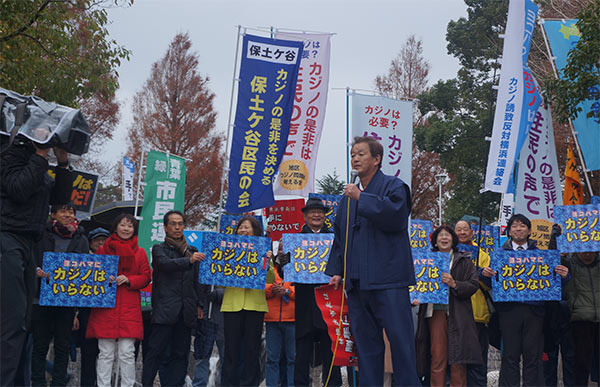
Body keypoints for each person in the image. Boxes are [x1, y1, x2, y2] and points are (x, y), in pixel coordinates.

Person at [325, 136, 420, 386]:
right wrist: (336, 269)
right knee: (366, 347)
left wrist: (362, 198)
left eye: (361, 154)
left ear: (376, 159)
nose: (355, 158)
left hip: (388, 281)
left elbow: (396, 218)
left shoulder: (394, 186)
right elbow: (340, 237)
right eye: (353, 154)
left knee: (401, 342)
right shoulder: (346, 198)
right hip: (357, 283)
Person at [0, 139, 72, 386]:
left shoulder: (38, 164)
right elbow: (19, 189)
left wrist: (62, 162)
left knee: (22, 322)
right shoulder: (9, 154)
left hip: (29, 242)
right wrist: (41, 153)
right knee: (10, 320)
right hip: (6, 237)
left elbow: (60, 198)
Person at [482, 213, 569, 387]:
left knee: (533, 356)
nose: (518, 229)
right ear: (509, 231)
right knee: (510, 356)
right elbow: (491, 283)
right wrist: (483, 275)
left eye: (522, 225)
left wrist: (565, 276)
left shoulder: (543, 255)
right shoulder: (499, 254)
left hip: (535, 312)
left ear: (529, 231)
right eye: (514, 225)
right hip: (508, 312)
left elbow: (554, 282)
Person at [86, 213, 151, 387]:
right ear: (115, 227)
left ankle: (128, 385)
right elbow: (92, 275)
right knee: (105, 352)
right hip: (106, 306)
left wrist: (129, 279)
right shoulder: (103, 250)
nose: (126, 229)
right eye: (122, 225)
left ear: (134, 229)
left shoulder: (141, 252)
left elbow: (146, 276)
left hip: (129, 306)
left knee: (127, 352)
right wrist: (104, 278)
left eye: (130, 226)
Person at [142, 210, 206, 386]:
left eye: (180, 224)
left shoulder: (192, 251)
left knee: (181, 354)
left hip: (186, 311)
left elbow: (197, 282)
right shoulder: (158, 249)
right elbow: (165, 265)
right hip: (165, 310)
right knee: (155, 352)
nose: (177, 228)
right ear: (165, 227)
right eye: (173, 224)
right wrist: (189, 261)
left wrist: (199, 304)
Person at [414, 225, 481, 386]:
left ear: (453, 240)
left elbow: (473, 285)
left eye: (448, 235)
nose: (444, 238)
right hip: (435, 313)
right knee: (437, 357)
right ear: (435, 241)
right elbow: (416, 285)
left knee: (458, 359)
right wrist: (416, 296)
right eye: (440, 236)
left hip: (458, 315)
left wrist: (454, 283)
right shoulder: (424, 261)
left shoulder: (464, 261)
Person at [30, 202, 88, 386]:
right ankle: (38, 381)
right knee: (39, 345)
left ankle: (58, 382)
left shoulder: (81, 238)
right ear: (53, 214)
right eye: (63, 211)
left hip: (66, 301)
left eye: (71, 212)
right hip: (41, 298)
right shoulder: (41, 235)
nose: (68, 215)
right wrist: (37, 270)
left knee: (62, 346)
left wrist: (77, 310)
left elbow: (85, 271)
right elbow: (30, 257)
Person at [221, 216, 274, 387]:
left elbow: (271, 278)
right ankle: (229, 384)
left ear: (255, 231)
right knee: (231, 349)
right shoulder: (227, 249)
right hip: (232, 305)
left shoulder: (262, 250)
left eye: (247, 227)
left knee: (252, 349)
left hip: (255, 305)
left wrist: (268, 260)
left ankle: (250, 384)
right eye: (240, 227)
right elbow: (217, 274)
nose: (243, 230)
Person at [294, 197, 342, 387]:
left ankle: (333, 384)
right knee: (302, 352)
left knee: (331, 351)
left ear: (325, 216)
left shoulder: (334, 240)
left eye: (320, 212)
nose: (316, 215)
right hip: (305, 303)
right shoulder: (295, 240)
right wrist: (282, 258)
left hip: (329, 301)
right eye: (312, 212)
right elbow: (286, 271)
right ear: (305, 216)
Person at [454, 220, 491, 387]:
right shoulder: (446, 253)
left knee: (478, 360)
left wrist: (480, 274)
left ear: (472, 233)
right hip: (452, 315)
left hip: (476, 314)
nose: (462, 232)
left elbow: (490, 285)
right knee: (456, 360)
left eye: (465, 230)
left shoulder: (481, 254)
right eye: (458, 229)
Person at [75, 227, 110, 387]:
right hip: (86, 314)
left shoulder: (114, 261)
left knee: (106, 354)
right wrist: (74, 314)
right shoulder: (81, 261)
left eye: (104, 239)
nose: (101, 243)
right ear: (90, 243)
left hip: (107, 314)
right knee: (88, 354)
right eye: (97, 240)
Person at [563, 250, 600, 386]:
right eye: (583, 251)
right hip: (581, 318)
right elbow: (553, 259)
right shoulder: (570, 265)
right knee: (581, 362)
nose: (587, 254)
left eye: (591, 251)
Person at [265, 242, 295, 387]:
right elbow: (260, 287)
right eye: (281, 248)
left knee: (293, 358)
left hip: (293, 318)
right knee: (272, 358)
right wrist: (272, 289)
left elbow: (305, 290)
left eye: (286, 248)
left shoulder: (299, 266)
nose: (283, 251)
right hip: (272, 319)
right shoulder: (269, 266)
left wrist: (288, 292)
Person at [193, 287, 225, 387]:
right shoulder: (202, 273)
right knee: (201, 357)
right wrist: (199, 303)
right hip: (205, 318)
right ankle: (199, 384)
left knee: (226, 359)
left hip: (225, 320)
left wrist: (218, 294)